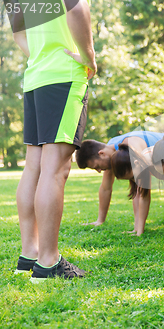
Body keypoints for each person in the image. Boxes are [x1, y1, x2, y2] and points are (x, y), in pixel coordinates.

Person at [11, 0, 96, 281]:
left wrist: (40, 57)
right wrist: (89, 57)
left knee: (34, 166)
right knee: (55, 169)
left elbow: (18, 33)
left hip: (36, 77)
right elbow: (77, 9)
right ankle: (48, 262)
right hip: (64, 74)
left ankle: (29, 255)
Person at [75, 131, 163, 235]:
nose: (99, 171)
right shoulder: (111, 150)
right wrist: (100, 220)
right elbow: (105, 188)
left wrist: (138, 230)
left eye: (97, 166)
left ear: (102, 154)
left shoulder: (132, 148)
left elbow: (142, 191)